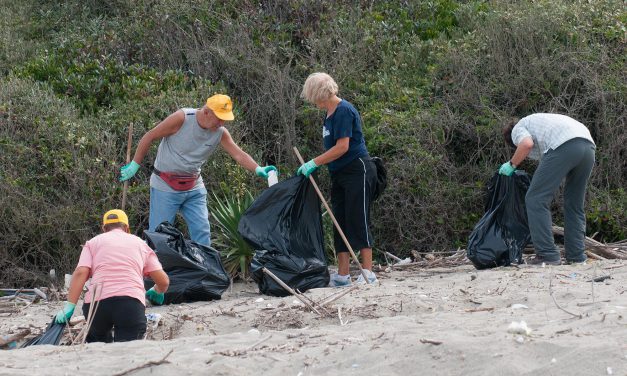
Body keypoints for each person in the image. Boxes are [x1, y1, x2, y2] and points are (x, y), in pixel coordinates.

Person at [119, 94, 277, 246]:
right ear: (207, 112)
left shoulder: (220, 133)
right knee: (159, 236)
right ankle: (155, 272)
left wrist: (258, 169)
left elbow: (238, 154)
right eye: (220, 118)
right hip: (165, 185)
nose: (222, 123)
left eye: (225, 119)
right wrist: (135, 165)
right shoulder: (182, 118)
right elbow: (150, 136)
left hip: (194, 186)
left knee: (202, 233)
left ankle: (204, 271)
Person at [298, 72, 378, 286]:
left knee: (358, 218)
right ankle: (343, 275)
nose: (312, 101)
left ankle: (367, 272)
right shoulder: (329, 113)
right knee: (339, 221)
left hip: (357, 170)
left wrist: (314, 162)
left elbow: (342, 147)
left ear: (318, 93)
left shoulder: (343, 110)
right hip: (339, 174)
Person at [55, 209, 170, 343]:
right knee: (130, 347)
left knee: (98, 346)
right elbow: (163, 281)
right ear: (127, 228)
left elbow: (81, 273)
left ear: (104, 228)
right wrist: (156, 291)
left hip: (97, 306)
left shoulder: (92, 243)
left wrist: (69, 307)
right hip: (130, 303)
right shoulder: (140, 244)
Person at [500, 113, 596, 265]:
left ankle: (547, 255)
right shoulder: (540, 123)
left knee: (535, 199)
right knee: (574, 204)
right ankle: (576, 256)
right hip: (588, 147)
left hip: (565, 144)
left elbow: (526, 144)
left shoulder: (518, 128)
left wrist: (512, 164)